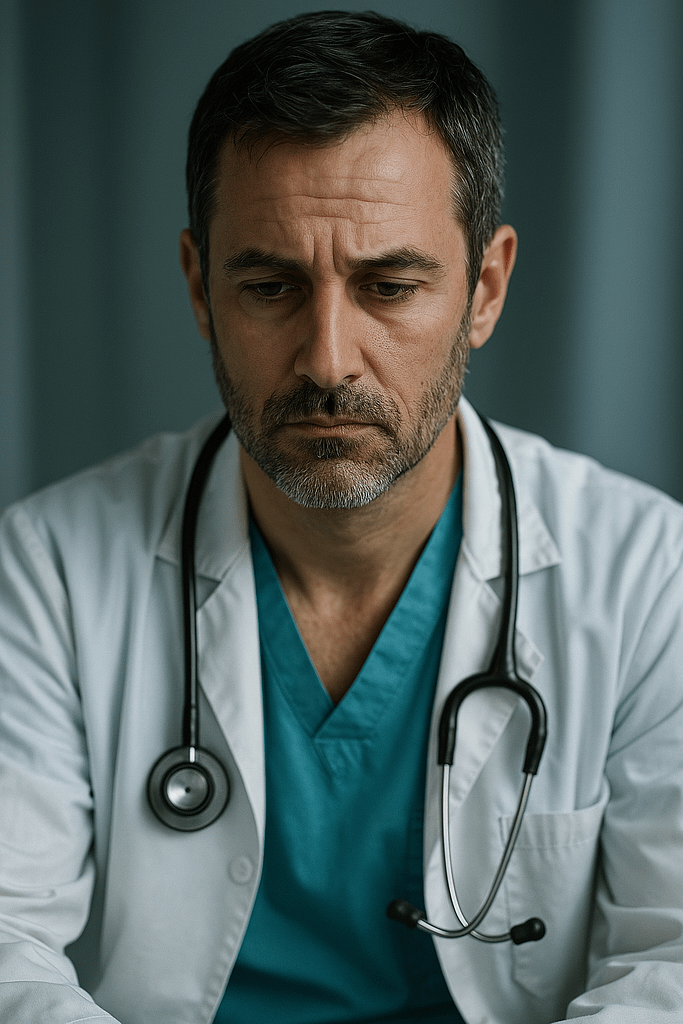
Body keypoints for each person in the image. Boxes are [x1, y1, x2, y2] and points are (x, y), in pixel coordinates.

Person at [0, 10, 682, 1024]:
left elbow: (667, 962)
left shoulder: (646, 576)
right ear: (198, 285)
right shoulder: (49, 569)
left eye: (388, 285)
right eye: (270, 285)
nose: (326, 358)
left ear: (484, 287)